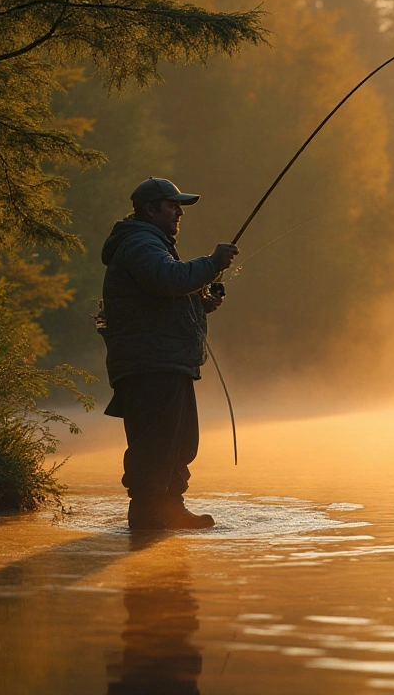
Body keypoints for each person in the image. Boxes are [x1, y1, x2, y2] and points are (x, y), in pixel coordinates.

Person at [98, 177, 239, 530]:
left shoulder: (148, 242)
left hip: (162, 361)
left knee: (177, 441)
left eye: (180, 206)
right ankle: (148, 516)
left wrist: (199, 304)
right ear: (149, 209)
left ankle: (170, 509)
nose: (179, 211)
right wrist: (212, 263)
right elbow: (166, 278)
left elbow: (160, 295)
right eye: (172, 204)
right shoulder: (140, 243)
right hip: (150, 363)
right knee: (157, 443)